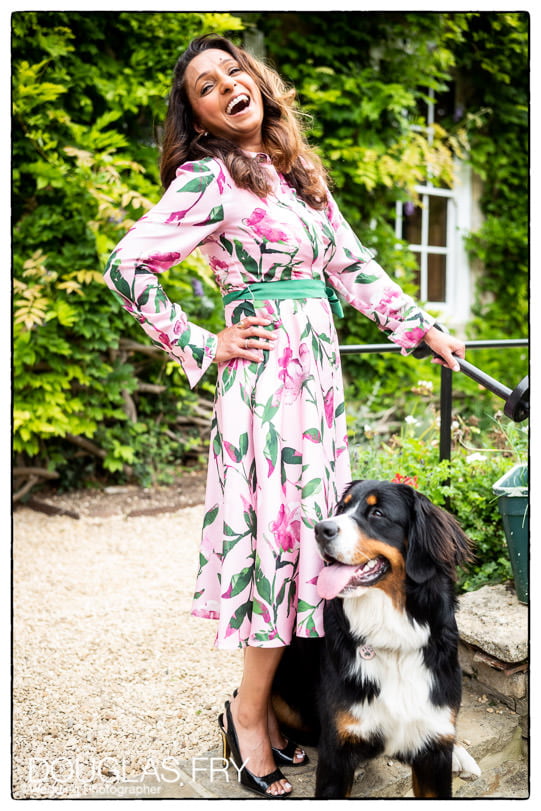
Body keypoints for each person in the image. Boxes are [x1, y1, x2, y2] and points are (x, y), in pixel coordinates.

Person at [103, 34, 466, 797]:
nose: (225, 84)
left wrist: (416, 326)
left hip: (319, 387)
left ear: (256, 81)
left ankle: (278, 706)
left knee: (314, 550)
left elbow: (352, 264)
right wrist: (204, 339)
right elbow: (126, 266)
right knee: (274, 550)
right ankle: (248, 714)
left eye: (232, 69)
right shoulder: (206, 180)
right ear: (197, 116)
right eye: (205, 85)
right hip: (264, 389)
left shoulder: (298, 175)